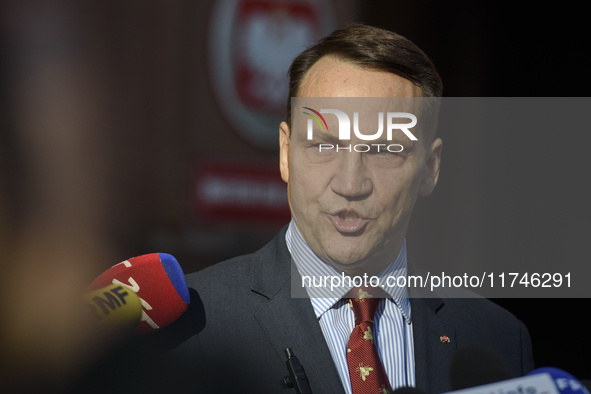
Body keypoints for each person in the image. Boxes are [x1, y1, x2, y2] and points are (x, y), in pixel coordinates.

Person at [170, 24, 534, 393]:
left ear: (430, 167)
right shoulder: (196, 326)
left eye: (383, 150)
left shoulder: (499, 338)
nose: (350, 184)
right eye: (324, 146)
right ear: (285, 153)